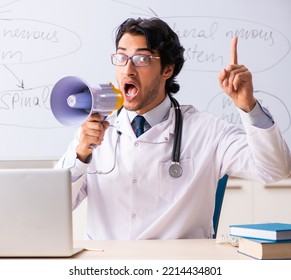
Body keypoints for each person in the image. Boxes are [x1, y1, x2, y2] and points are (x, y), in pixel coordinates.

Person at [56, 17, 291, 240]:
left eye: (142, 59)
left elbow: (275, 170)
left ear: (167, 69)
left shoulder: (208, 131)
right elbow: (53, 204)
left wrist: (249, 107)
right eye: (121, 58)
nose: (128, 70)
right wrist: (81, 156)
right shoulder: (92, 135)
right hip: (106, 266)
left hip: (179, 266)